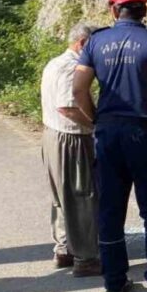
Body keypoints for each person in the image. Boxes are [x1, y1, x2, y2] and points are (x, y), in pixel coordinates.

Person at [72, 0, 147, 292]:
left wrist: (96, 118)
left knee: (110, 210)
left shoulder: (95, 42)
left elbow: (78, 89)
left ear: (114, 8)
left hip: (108, 135)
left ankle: (114, 282)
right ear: (144, 8)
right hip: (145, 134)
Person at [40, 23, 100, 277]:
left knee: (61, 196)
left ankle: (64, 248)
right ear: (83, 43)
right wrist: (96, 124)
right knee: (81, 196)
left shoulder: (55, 63)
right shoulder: (72, 67)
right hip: (71, 138)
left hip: (52, 134)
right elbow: (68, 107)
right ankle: (85, 258)